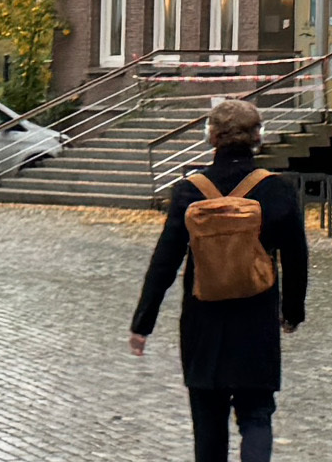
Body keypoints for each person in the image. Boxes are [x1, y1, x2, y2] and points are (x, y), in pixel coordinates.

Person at [131, 100, 308, 462]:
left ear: (212, 137)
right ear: (257, 137)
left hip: (202, 321)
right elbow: (296, 259)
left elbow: (164, 261)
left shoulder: (189, 191)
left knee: (208, 424)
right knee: (257, 415)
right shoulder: (277, 189)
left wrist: (142, 323)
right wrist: (291, 312)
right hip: (256, 320)